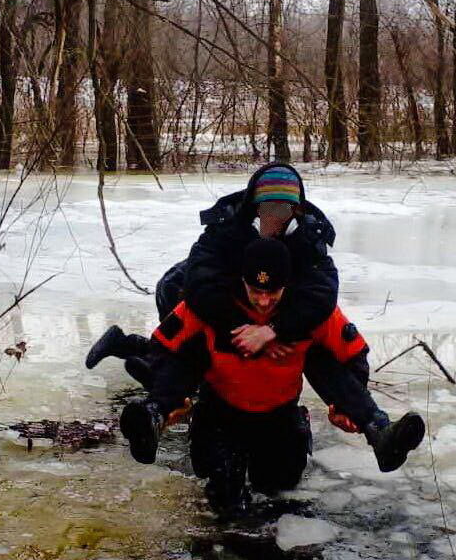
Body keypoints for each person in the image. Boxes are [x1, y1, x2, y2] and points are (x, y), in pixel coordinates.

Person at [86, 162, 412, 468]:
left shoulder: (309, 237)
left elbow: (324, 296)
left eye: (284, 210)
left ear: (296, 209)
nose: (275, 218)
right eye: (267, 209)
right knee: (191, 351)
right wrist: (243, 328)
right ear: (253, 206)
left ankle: (377, 428)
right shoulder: (225, 230)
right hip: (214, 312)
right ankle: (155, 412)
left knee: (279, 473)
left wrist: (275, 329)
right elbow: (196, 290)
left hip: (284, 343)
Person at [118, 238, 425, 516]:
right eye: (256, 291)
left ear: (288, 285)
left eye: (273, 292)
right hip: (221, 414)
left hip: (277, 415)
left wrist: (345, 407)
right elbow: (163, 345)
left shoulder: (309, 310)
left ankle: (378, 430)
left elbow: (352, 354)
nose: (264, 301)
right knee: (225, 502)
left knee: (278, 492)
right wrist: (173, 398)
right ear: (242, 281)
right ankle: (153, 415)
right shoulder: (213, 305)